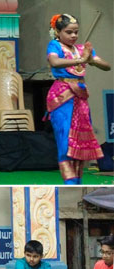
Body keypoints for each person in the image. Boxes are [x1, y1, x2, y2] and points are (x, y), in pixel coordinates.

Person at [46, 14, 111, 184]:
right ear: (58, 32)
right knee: (65, 139)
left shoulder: (82, 49)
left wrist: (91, 60)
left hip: (80, 98)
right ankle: (69, 182)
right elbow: (54, 61)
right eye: (69, 32)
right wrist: (80, 60)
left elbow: (107, 66)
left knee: (80, 141)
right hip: (62, 96)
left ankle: (77, 182)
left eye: (76, 32)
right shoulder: (55, 45)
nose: (74, 35)